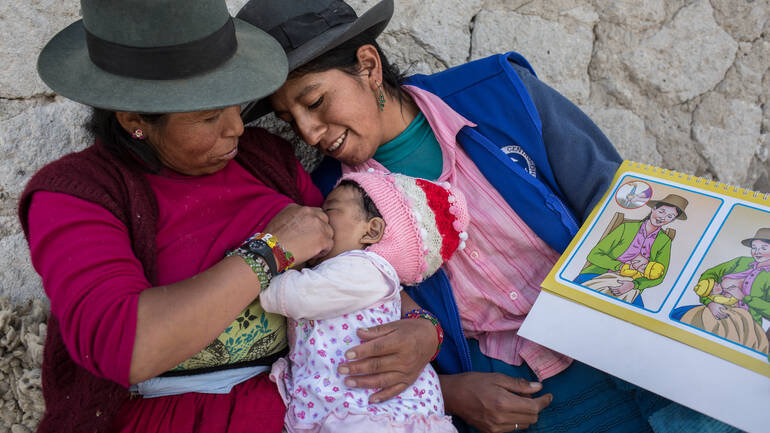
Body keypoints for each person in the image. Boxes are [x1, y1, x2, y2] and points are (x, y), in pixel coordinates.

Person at [237, 1, 741, 432]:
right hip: (527, 401)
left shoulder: (502, 96)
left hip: (637, 349)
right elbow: (358, 328)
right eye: (289, 120)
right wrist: (451, 392)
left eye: (315, 102)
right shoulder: (334, 200)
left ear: (368, 66)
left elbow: (612, 197)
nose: (308, 131)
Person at [19, 1, 439, 432]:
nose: (236, 128)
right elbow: (125, 347)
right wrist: (269, 252)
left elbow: (350, 266)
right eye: (208, 116)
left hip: (306, 407)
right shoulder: (77, 194)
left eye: (235, 104)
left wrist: (422, 328)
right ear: (135, 122)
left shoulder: (265, 160)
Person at [261, 171, 468, 432]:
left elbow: (295, 296)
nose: (317, 216)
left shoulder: (365, 269)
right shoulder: (357, 275)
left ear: (372, 231)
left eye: (329, 210)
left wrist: (265, 259)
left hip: (373, 414)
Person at [575, 194, 688, 307]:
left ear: (672, 220)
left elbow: (660, 276)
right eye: (662, 211)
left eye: (670, 216)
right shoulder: (626, 228)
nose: (663, 217)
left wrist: (634, 284)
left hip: (632, 284)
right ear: (654, 209)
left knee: (638, 312)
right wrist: (619, 266)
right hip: (600, 273)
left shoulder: (664, 241)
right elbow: (594, 255)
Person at [676, 228, 770, 354]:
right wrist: (709, 302)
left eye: (764, 248)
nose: (757, 252)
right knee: (680, 318)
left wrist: (744, 297)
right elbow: (709, 275)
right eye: (754, 247)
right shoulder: (740, 262)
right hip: (713, 308)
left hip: (745, 323)